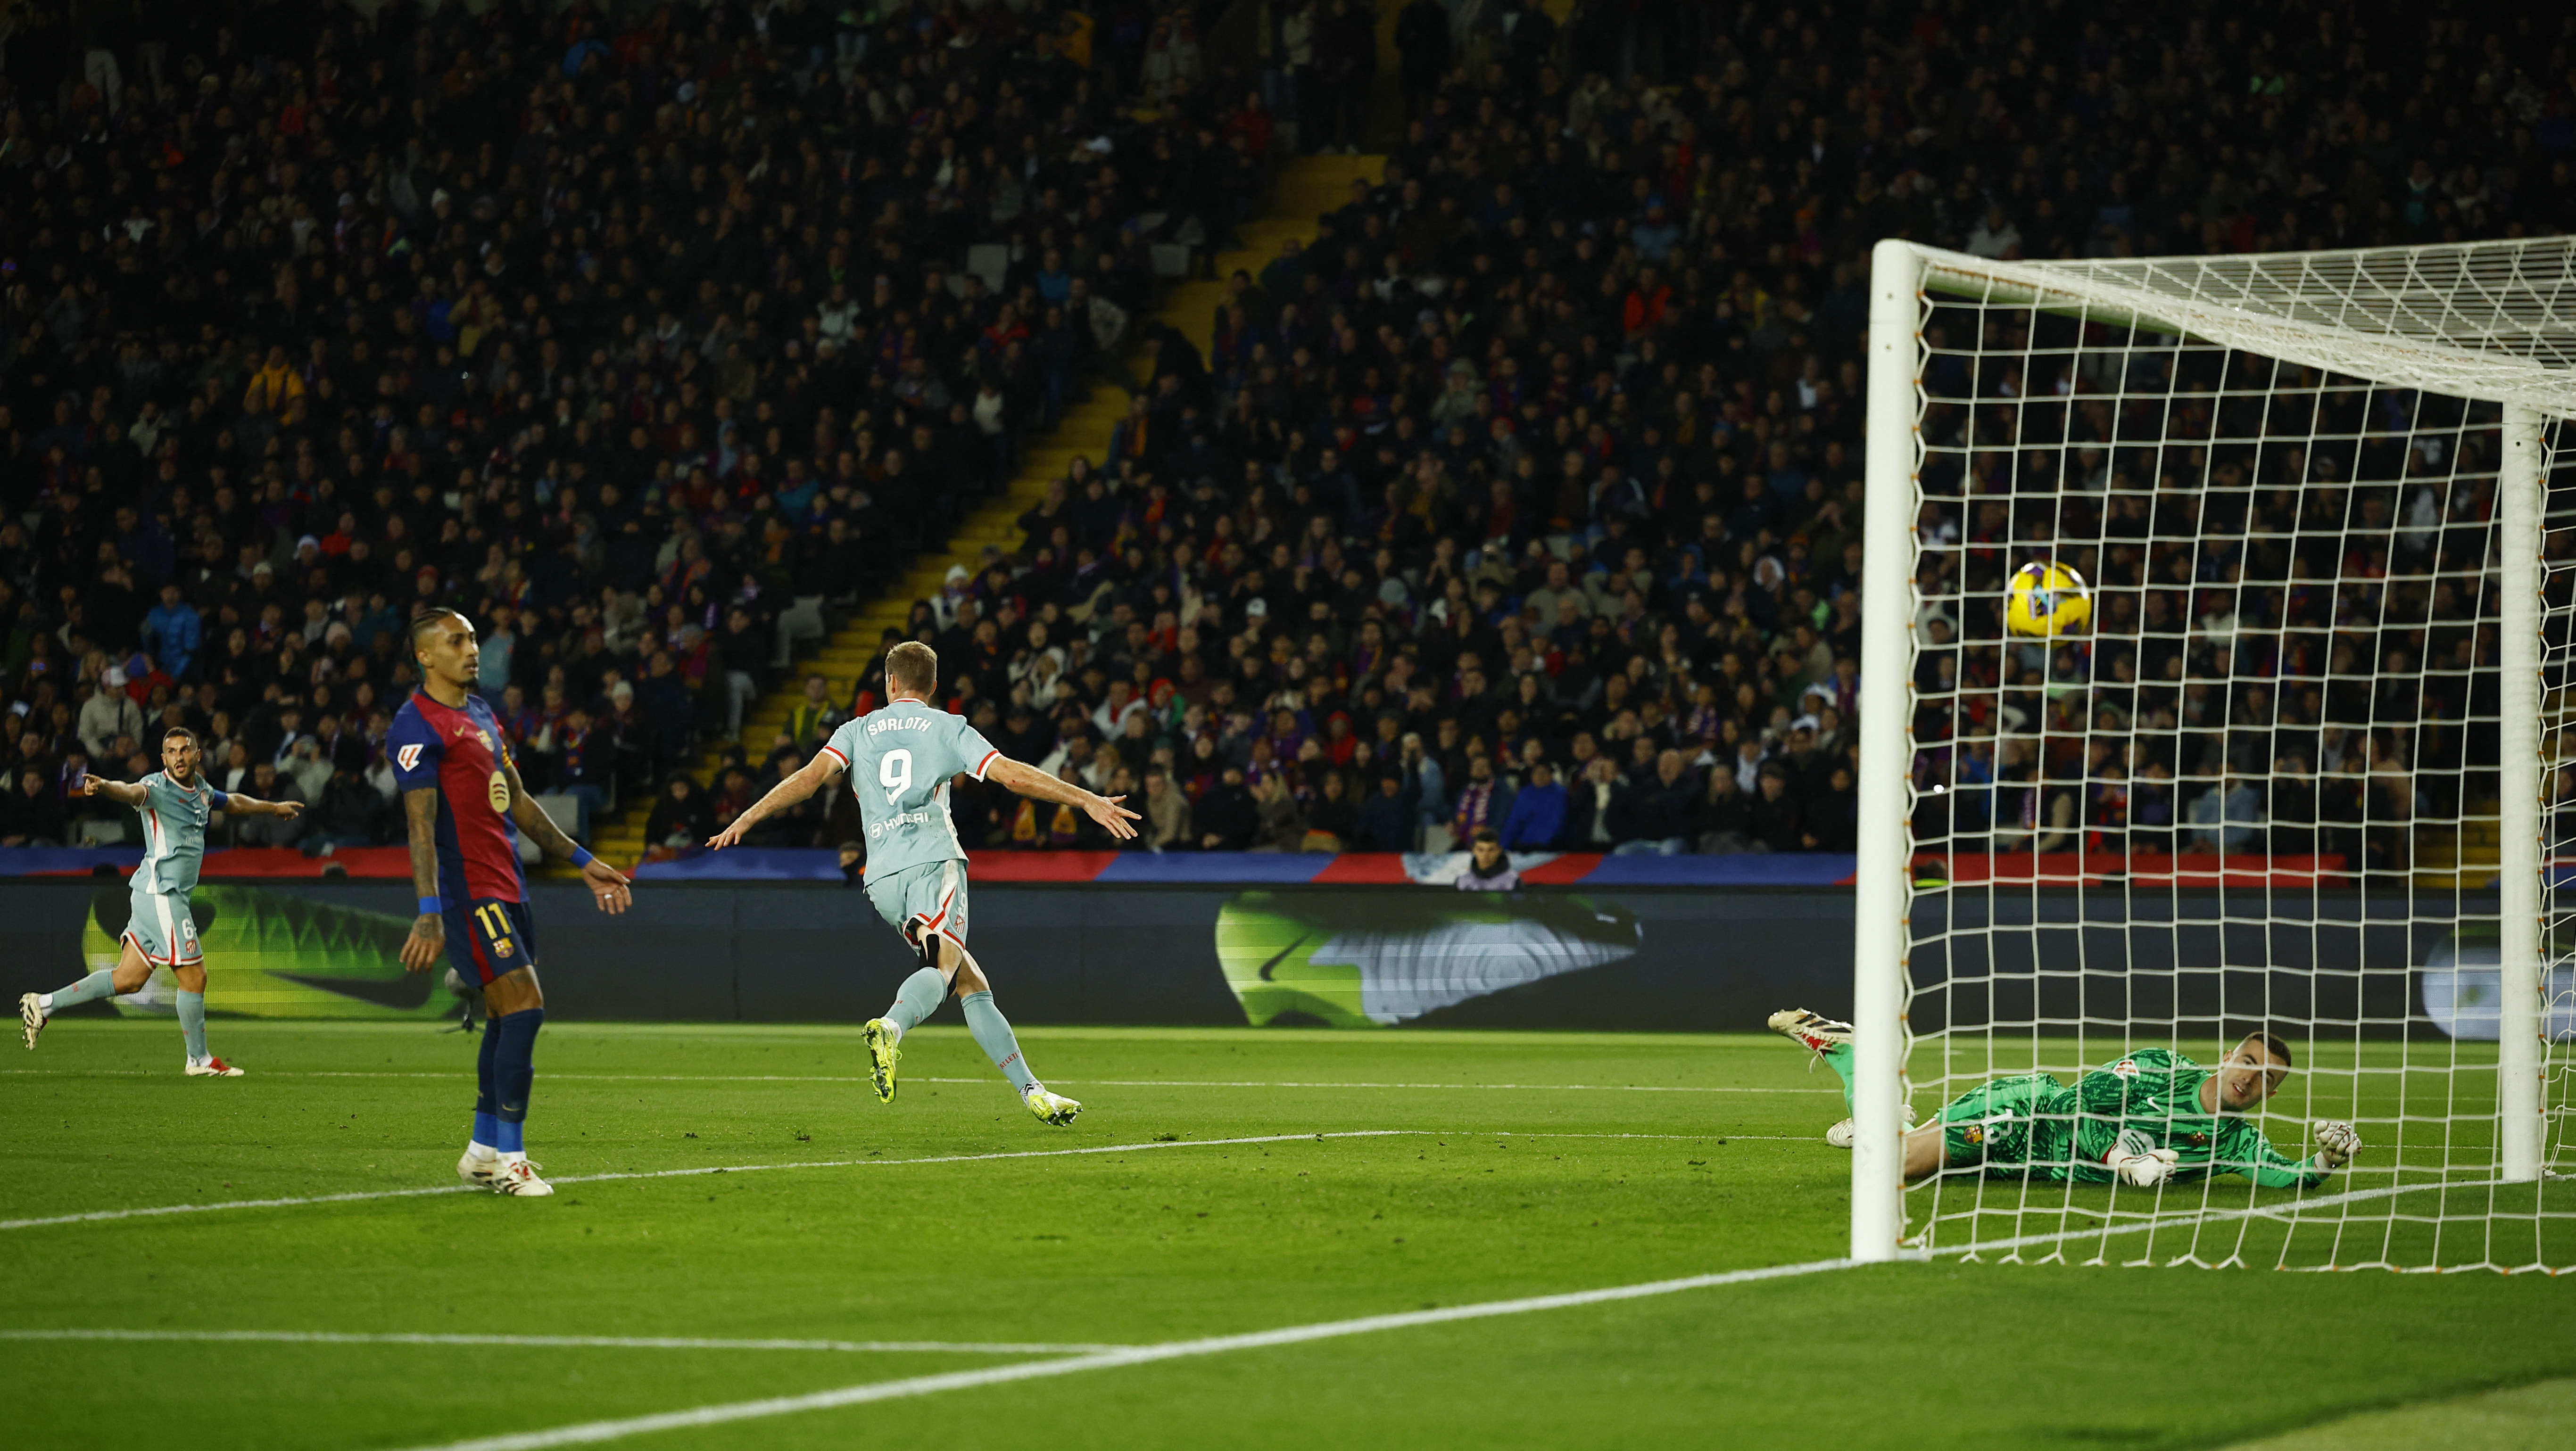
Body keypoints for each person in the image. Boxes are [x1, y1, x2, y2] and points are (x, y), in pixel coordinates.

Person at [707, 640, 1137, 1125]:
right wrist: (1087, 801)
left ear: (889, 683)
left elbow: (808, 780)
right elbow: (1012, 778)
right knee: (944, 967)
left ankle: (1033, 1091)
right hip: (934, 862)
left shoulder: (857, 729)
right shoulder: (947, 726)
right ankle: (891, 1026)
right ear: (933, 687)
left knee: (970, 983)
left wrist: (747, 816)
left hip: (883, 880)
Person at [391, 609, 636, 1198]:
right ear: (426, 656)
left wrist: (582, 862)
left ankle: (481, 1151)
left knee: (505, 1016)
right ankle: (511, 1160)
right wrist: (429, 911)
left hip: (509, 885)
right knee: (525, 1006)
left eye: (473, 638)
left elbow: (518, 801)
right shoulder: (414, 724)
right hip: (468, 890)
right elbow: (419, 826)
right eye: (457, 641)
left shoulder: (480, 714)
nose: (472, 649)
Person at [1766, 1009, 2363, 1187]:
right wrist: (2123, 1161)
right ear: (2230, 1054)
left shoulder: (2235, 1141)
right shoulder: (2161, 1068)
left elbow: (2290, 1177)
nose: (2251, 1080)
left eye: (2268, 1080)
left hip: (2030, 1171)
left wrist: (2326, 1162)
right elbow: (2076, 1104)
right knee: (1888, 1170)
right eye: (2249, 1063)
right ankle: (1852, 1056)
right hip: (2027, 1114)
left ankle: (1879, 1113)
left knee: (1888, 1151)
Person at [20, 727, 304, 1072]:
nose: (179, 757)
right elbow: (130, 791)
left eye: (185, 750)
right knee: (195, 977)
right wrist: (106, 786)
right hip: (162, 893)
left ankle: (44, 1003)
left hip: (149, 895)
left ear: (198, 756)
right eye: (171, 751)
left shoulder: (201, 791)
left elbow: (234, 802)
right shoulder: (156, 788)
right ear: (163, 759)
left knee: (128, 979)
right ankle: (198, 1060)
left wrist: (273, 808)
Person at [1456, 825, 1520, 890]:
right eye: (1481, 850)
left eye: (1491, 850)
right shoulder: (1463, 882)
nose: (1485, 855)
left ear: (1499, 851)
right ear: (1473, 851)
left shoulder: (1513, 881)